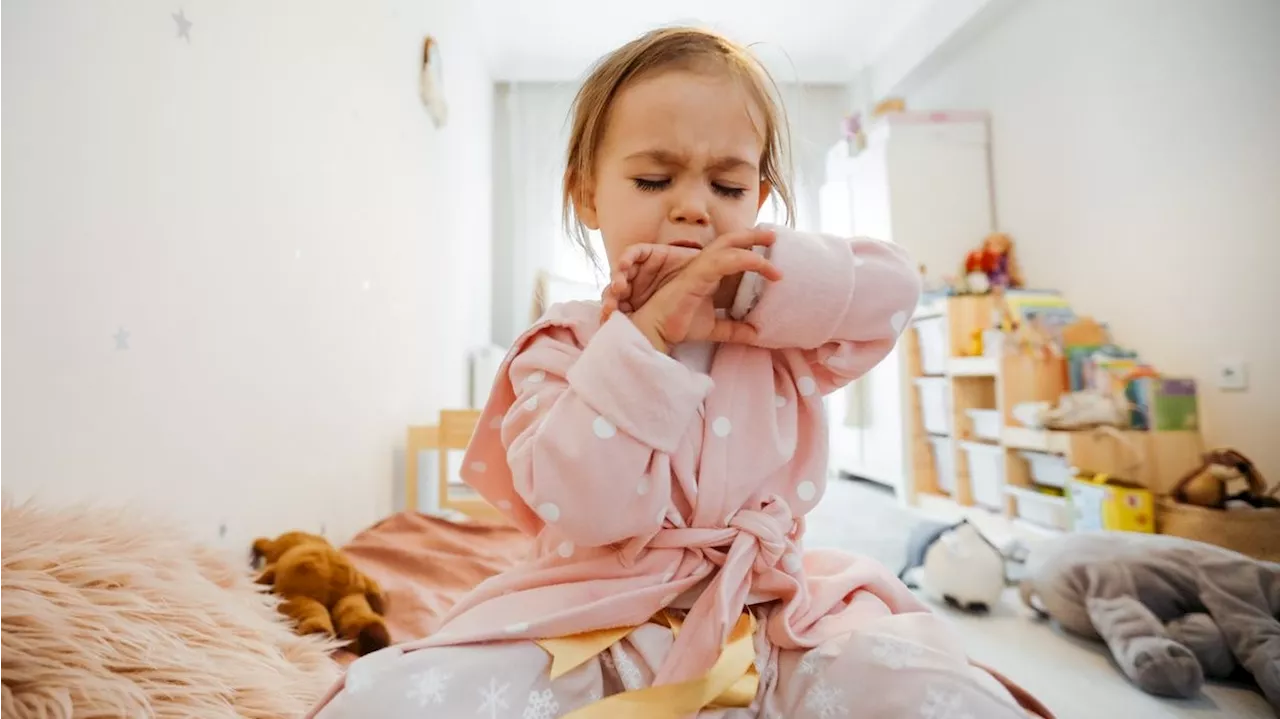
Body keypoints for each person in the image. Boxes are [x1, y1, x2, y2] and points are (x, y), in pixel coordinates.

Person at [305, 26, 1048, 719]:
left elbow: (893, 291)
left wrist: (755, 287)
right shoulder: (564, 341)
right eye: (655, 180)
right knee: (402, 697)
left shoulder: (781, 327)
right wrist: (646, 338)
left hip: (772, 611)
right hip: (596, 614)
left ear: (759, 200)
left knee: (931, 686)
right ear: (587, 195)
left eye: (727, 189)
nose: (693, 209)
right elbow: (589, 506)